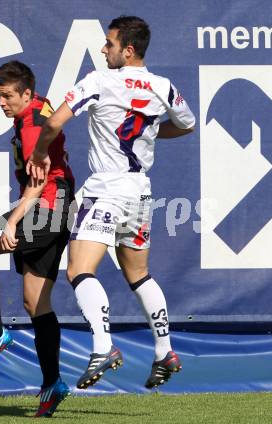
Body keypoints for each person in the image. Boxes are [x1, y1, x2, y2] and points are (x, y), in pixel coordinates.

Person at [27, 15, 195, 390]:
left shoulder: (99, 81)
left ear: (128, 50)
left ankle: (103, 346)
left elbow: (53, 123)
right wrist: (149, 134)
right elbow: (187, 124)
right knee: (138, 274)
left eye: (109, 43)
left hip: (106, 189)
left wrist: (39, 154)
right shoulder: (163, 87)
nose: (103, 50)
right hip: (140, 191)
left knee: (79, 269)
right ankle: (164, 350)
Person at [0, 61, 74, 416]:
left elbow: (36, 183)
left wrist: (12, 223)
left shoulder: (31, 129)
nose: (2, 102)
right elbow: (17, 89)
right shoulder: (38, 103)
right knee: (35, 303)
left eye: (7, 96)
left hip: (45, 205)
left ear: (26, 93)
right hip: (62, 205)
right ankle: (52, 382)